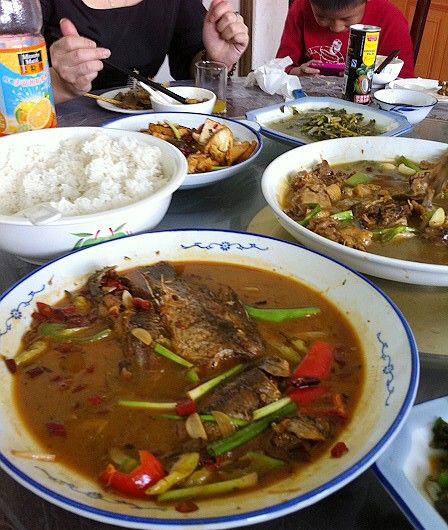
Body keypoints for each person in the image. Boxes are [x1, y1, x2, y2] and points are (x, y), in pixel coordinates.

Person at [41, 0, 249, 103]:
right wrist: (60, 85)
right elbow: (19, 95)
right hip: (57, 133)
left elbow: (190, 65)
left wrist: (214, 61)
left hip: (144, 130)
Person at [276, 0, 415, 78]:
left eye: (347, 19)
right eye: (322, 17)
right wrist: (296, 72)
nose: (336, 28)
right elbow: (280, 66)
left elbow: (403, 80)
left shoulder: (391, 19)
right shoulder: (300, 8)